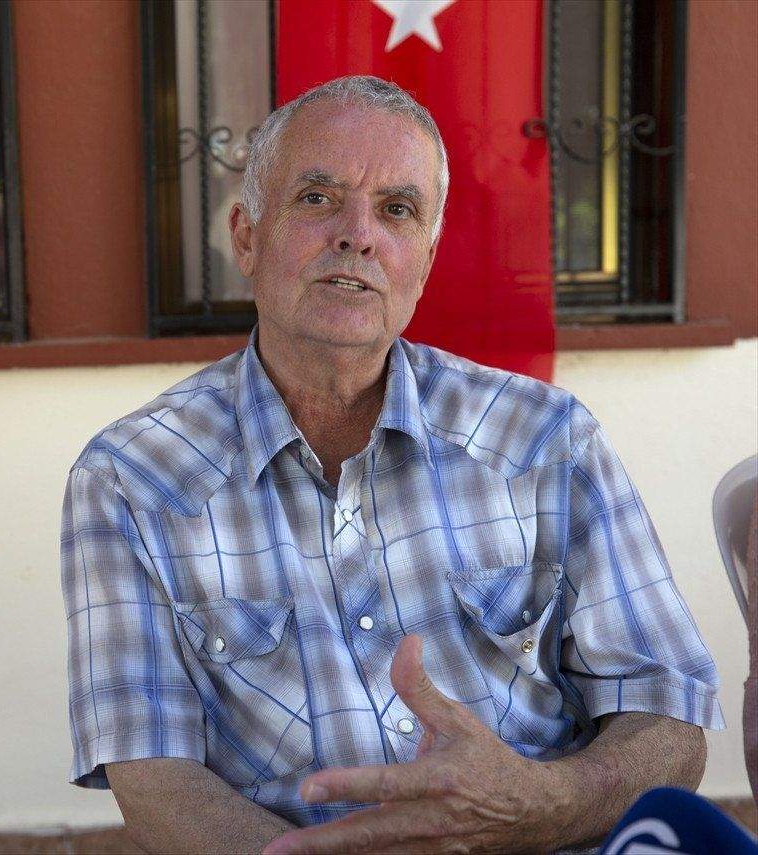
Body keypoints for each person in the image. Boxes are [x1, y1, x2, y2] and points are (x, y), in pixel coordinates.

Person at [59, 76, 723, 854]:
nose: (358, 235)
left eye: (397, 210)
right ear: (246, 237)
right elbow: (155, 781)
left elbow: (669, 717)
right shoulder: (131, 476)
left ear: (426, 260)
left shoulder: (545, 437)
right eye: (317, 198)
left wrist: (538, 804)